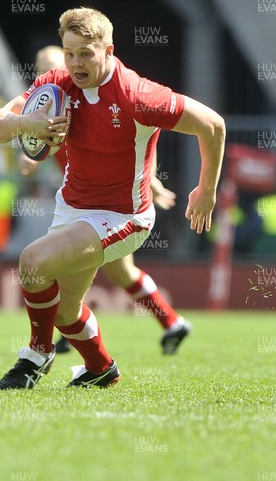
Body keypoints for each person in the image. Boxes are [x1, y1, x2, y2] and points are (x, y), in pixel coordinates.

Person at [0, 7, 225, 389]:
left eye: (85, 53)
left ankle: (35, 354)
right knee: (65, 312)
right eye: (69, 53)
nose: (75, 63)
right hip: (73, 207)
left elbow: (213, 125)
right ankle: (102, 370)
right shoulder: (58, 83)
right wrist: (25, 123)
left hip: (123, 216)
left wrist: (207, 190)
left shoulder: (137, 94)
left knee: (32, 263)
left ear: (108, 50)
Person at [23, 45, 191, 356]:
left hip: (109, 209)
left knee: (83, 271)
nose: (44, 73)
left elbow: (137, 137)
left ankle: (66, 340)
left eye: (50, 65)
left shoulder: (90, 96)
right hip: (82, 206)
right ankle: (171, 324)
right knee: (117, 273)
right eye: (39, 68)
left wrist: (150, 180)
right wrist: (34, 156)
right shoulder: (52, 102)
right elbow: (52, 145)